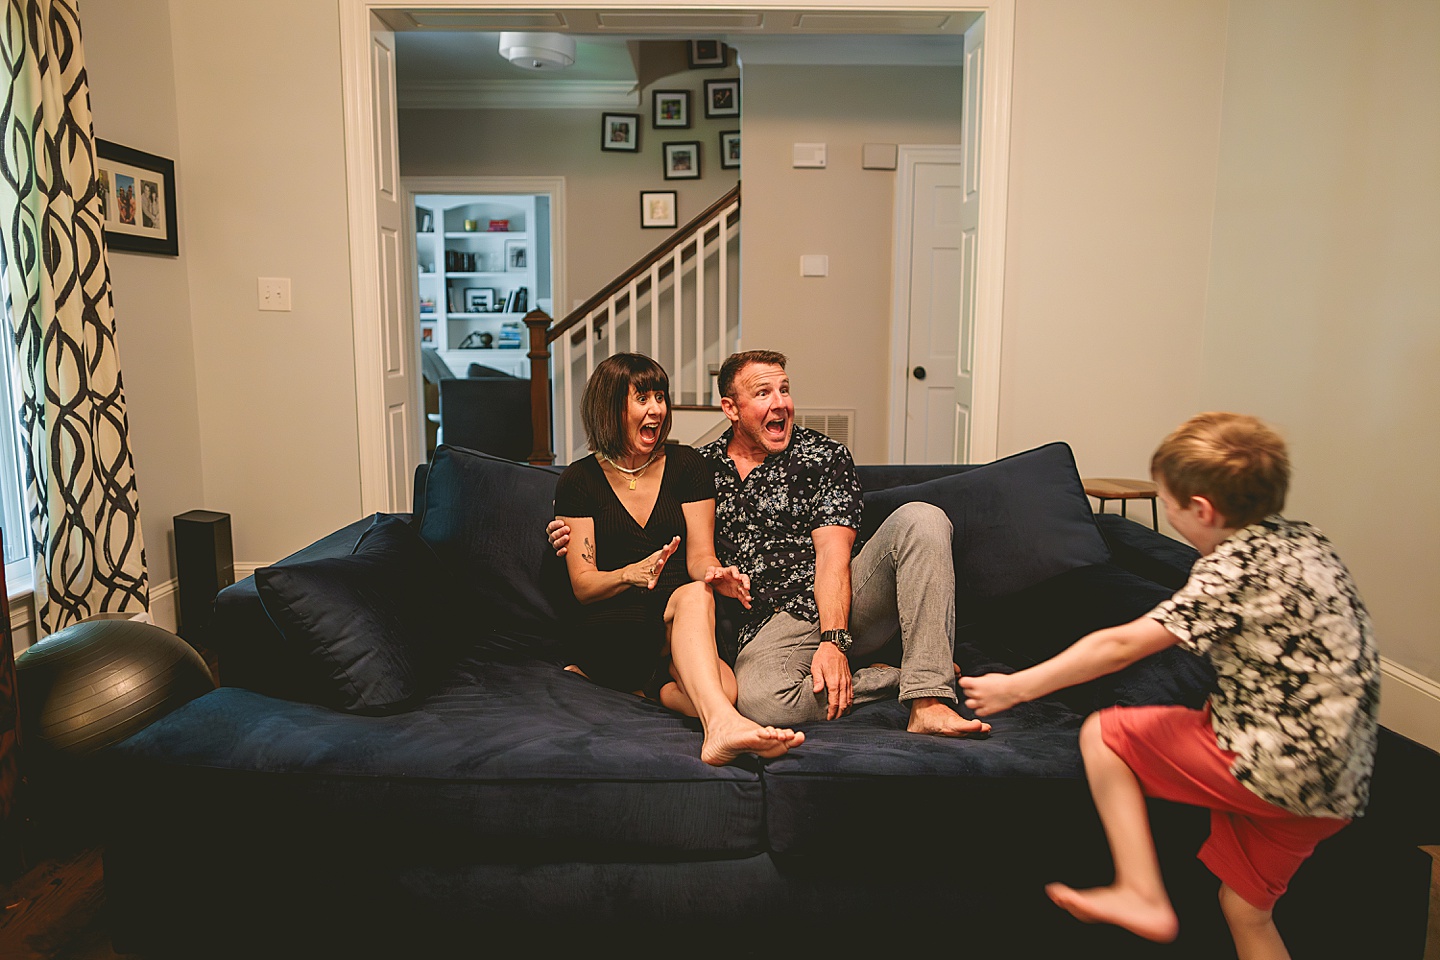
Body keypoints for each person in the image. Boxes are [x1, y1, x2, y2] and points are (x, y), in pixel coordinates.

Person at [960, 412, 1379, 960]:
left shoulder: (1230, 571)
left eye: (1170, 502)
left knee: (1106, 735)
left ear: (1201, 509)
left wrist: (1017, 688)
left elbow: (1120, 646)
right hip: (1340, 784)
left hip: (1274, 769)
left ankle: (1140, 891)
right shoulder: (1307, 543)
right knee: (1245, 909)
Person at [552, 349, 989, 738]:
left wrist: (833, 640)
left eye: (784, 389)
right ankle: (891, 676)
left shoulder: (824, 457)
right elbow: (637, 517)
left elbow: (833, 558)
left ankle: (929, 699)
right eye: (763, 393)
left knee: (923, 518)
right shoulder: (699, 467)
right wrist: (564, 534)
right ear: (731, 408)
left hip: (845, 598)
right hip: (768, 625)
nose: (780, 402)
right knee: (761, 703)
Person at [553, 353, 804, 766]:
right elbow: (583, 586)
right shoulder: (579, 481)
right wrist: (629, 575)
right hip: (614, 625)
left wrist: (715, 573)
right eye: (642, 398)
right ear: (611, 406)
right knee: (695, 607)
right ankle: (722, 727)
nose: (656, 409)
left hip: (674, 626)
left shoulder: (688, 464)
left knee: (723, 680)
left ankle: (656, 693)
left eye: (660, 396)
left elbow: (699, 556)